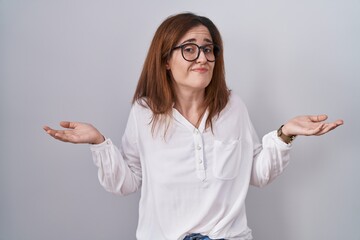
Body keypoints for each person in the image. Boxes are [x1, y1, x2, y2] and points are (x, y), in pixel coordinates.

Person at [43, 12, 343, 240]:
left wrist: (285, 134)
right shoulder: (144, 113)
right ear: (166, 61)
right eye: (189, 49)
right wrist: (99, 144)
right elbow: (128, 183)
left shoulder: (232, 106)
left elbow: (255, 173)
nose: (202, 58)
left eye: (209, 49)